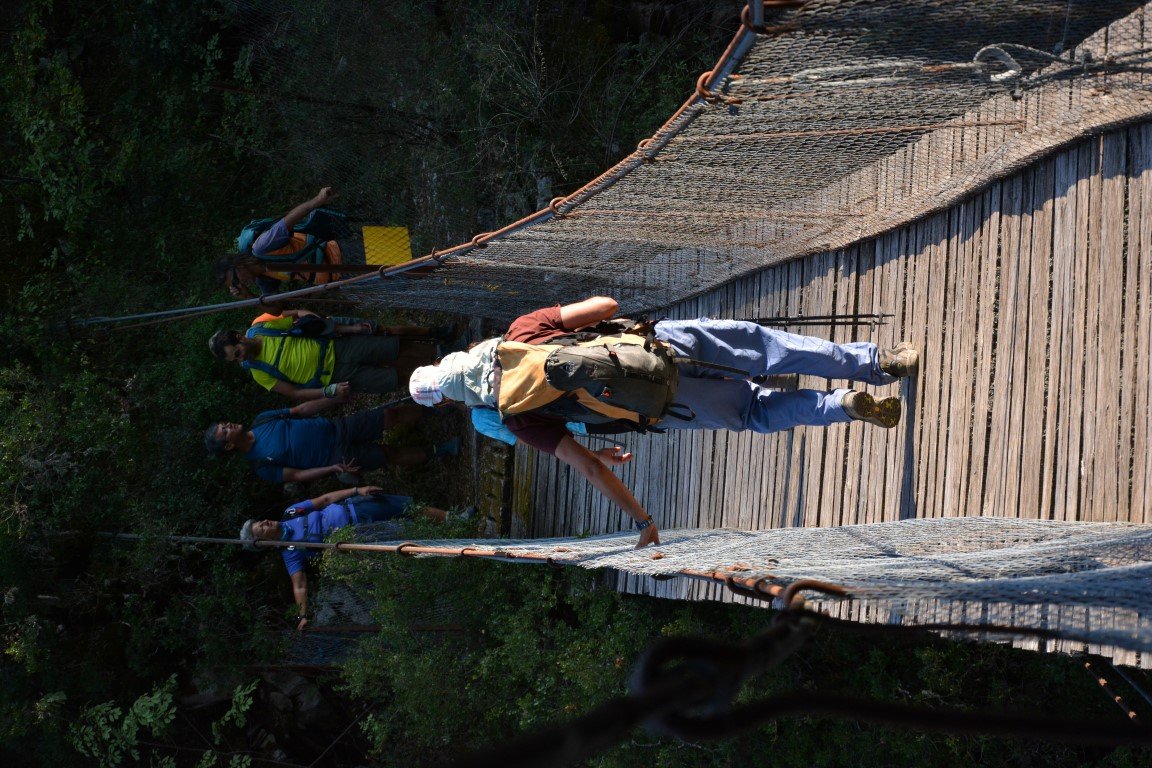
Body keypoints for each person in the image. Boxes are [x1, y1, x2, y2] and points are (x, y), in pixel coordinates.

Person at [409, 296, 919, 548]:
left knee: (755, 410)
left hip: (661, 404)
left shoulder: (516, 418)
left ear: (458, 397)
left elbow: (589, 469)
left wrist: (644, 521)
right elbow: (606, 305)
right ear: (463, 356)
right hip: (662, 345)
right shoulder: (522, 332)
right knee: (771, 349)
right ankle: (877, 364)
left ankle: (842, 405)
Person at [239, 485, 476, 630]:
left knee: (405, 507)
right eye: (261, 528)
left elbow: (324, 500)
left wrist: (356, 491)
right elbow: (299, 586)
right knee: (407, 533)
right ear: (264, 543)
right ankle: (454, 541)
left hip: (354, 509)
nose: (265, 522)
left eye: (261, 521)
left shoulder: (291, 512)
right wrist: (303, 615)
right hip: (360, 538)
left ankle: (454, 520)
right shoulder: (291, 553)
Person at [203, 398, 458, 484]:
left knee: (388, 415)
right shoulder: (261, 465)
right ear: (228, 446)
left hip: (338, 428)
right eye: (224, 431)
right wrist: (332, 470)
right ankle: (442, 449)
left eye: (224, 424)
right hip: (335, 457)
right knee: (387, 454)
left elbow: (300, 410)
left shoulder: (261, 420)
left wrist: (332, 398)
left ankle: (435, 410)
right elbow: (297, 476)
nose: (228, 425)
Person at [208, 308, 440, 402]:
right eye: (235, 360)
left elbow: (301, 317)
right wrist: (327, 392)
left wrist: (337, 327)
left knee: (394, 348)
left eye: (237, 353)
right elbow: (294, 392)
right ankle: (439, 380)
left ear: (239, 337)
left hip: (336, 347)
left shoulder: (261, 326)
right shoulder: (258, 372)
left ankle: (442, 352)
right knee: (394, 378)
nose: (241, 360)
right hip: (336, 376)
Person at [215, 187, 344, 297]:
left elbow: (288, 221)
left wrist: (318, 199)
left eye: (236, 280)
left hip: (340, 254)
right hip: (340, 278)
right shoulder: (264, 278)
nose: (241, 283)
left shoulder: (262, 247)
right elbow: (277, 312)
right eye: (236, 285)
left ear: (238, 265)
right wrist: (247, 296)